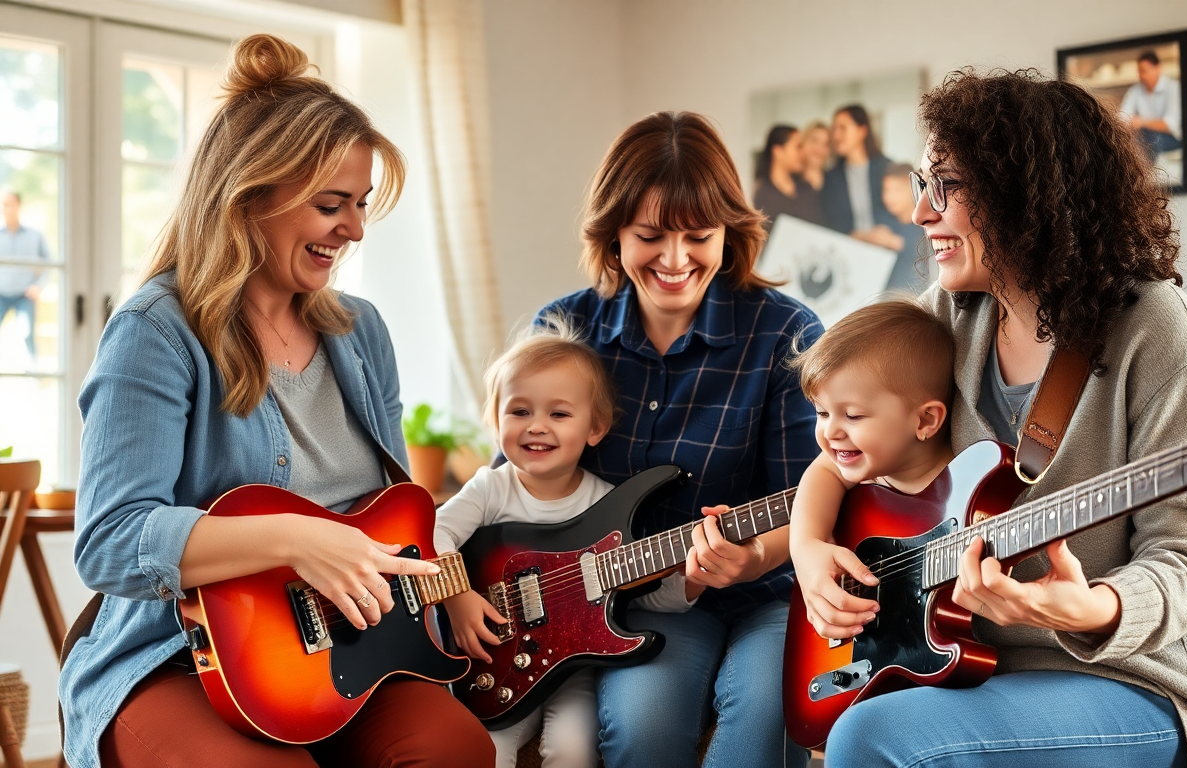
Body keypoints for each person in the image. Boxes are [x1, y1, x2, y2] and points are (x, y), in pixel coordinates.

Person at [794, 68, 1187, 767]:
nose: (920, 214)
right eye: (923, 185)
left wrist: (1092, 606)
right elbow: (843, 449)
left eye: (944, 187)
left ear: (1025, 195)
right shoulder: (947, 315)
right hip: (974, 664)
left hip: (1137, 680)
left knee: (871, 737)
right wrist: (806, 552)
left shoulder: (1155, 328)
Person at [59, 34, 495, 768]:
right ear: (249, 193)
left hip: (348, 652)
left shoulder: (362, 333)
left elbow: (392, 518)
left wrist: (449, 581)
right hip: (179, 660)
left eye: (358, 205)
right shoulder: (154, 333)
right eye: (331, 205)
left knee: (457, 749)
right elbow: (111, 539)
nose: (354, 229)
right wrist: (299, 541)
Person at [540, 111, 823, 768]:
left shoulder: (787, 333)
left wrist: (751, 560)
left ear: (730, 232)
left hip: (772, 590)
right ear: (613, 235)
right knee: (643, 727)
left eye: (699, 235)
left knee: (765, 714)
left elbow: (818, 493)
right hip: (640, 597)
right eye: (649, 236)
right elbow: (520, 487)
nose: (675, 260)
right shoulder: (565, 328)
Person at [434, 317, 696, 768]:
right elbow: (433, 534)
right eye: (519, 412)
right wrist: (456, 595)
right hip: (489, 658)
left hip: (574, 663)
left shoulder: (608, 507)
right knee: (482, 750)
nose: (537, 426)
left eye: (558, 414)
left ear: (594, 428)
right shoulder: (489, 488)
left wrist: (696, 578)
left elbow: (652, 599)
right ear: (494, 422)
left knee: (572, 751)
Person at [789, 299, 957, 624]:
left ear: (925, 421)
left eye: (852, 415)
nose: (830, 431)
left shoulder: (965, 488)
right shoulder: (861, 464)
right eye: (822, 413)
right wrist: (805, 545)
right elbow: (824, 469)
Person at [850, 162, 931, 293]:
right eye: (886, 190)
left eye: (896, 190)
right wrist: (869, 236)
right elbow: (852, 237)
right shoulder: (882, 218)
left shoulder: (925, 224)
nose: (889, 197)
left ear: (913, 190)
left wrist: (889, 240)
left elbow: (904, 245)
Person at [820, 104, 900, 238]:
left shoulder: (887, 168)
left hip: (888, 247)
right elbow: (831, 223)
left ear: (862, 131)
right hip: (849, 250)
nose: (836, 135)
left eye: (842, 128)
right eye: (834, 129)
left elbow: (903, 213)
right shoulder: (831, 177)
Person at [0, 190, 52, 361]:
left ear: (18, 206)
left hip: (25, 294)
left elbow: (49, 263)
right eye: (4, 205)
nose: (7, 209)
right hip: (2, 293)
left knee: (26, 334)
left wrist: (39, 286)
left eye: (10, 205)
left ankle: (33, 374)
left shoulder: (34, 235)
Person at [753, 124, 824, 229]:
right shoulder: (762, 195)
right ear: (778, 152)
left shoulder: (806, 189)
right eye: (798, 147)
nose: (803, 153)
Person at [1119, 50, 1183, 163]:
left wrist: (1142, 122)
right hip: (1145, 135)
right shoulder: (1135, 90)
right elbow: (1123, 117)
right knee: (1131, 140)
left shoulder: (1173, 88)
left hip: (1172, 138)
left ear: (1157, 68)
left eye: (1144, 71)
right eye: (1139, 72)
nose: (1141, 76)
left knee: (1150, 141)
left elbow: (1171, 125)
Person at [799, 121, 831, 193]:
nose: (819, 148)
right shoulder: (790, 183)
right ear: (802, 143)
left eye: (825, 144)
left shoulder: (835, 183)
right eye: (814, 141)